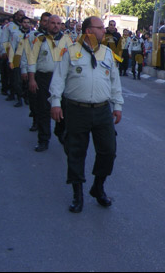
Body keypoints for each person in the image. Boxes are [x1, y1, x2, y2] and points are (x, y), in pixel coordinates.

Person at [49, 16, 123, 213]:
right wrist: (55, 102)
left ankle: (98, 187)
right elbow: (59, 78)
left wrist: (117, 105)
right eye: (100, 28)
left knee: (108, 151)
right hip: (76, 109)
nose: (104, 31)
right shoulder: (70, 51)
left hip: (102, 110)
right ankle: (77, 194)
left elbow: (114, 82)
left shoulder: (108, 53)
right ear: (89, 31)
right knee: (76, 152)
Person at [27, 15, 72, 152]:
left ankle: (60, 132)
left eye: (58, 23)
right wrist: (32, 79)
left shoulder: (67, 40)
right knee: (43, 110)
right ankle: (43, 139)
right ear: (47, 24)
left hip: (61, 79)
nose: (56, 26)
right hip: (44, 78)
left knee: (63, 108)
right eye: (53, 23)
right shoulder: (39, 39)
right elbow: (32, 60)